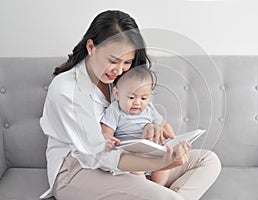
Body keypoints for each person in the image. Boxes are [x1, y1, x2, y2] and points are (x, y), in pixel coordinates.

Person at [40, 10, 221, 200]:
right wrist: (161, 164)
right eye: (113, 61)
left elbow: (138, 113)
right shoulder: (67, 90)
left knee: (207, 160)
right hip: (78, 169)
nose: (119, 70)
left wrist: (151, 127)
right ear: (91, 47)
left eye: (127, 62)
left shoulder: (121, 80)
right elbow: (99, 156)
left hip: (128, 158)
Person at [101, 66, 175, 186]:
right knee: (136, 170)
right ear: (117, 94)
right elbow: (106, 132)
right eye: (131, 97)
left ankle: (159, 188)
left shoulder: (150, 109)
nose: (137, 102)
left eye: (143, 98)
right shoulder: (115, 110)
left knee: (165, 163)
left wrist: (172, 137)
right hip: (131, 158)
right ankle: (149, 190)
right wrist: (109, 139)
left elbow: (166, 128)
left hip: (151, 155)